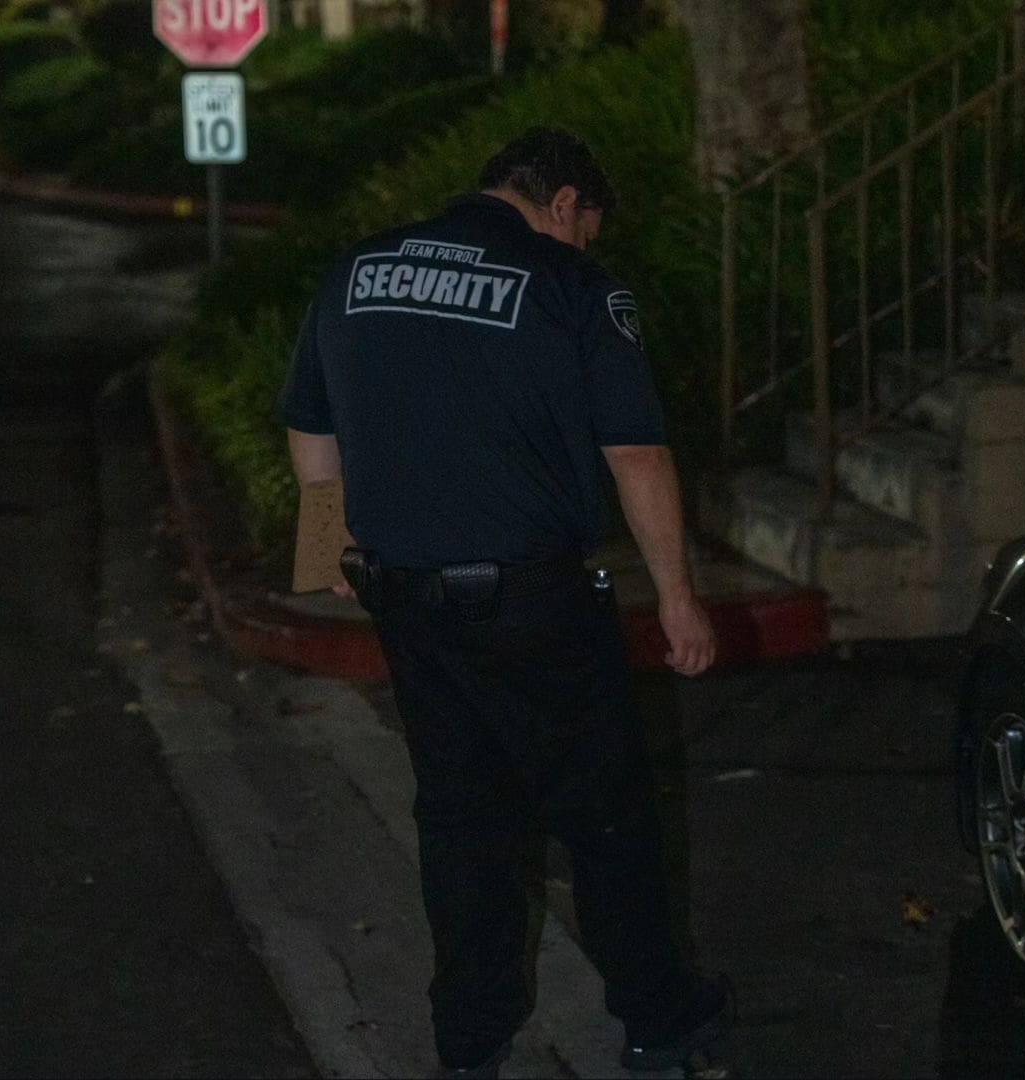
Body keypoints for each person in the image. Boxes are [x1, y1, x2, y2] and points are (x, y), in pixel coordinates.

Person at [279, 127, 733, 1079]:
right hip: (534, 604)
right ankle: (657, 1023)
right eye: (585, 226)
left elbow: (310, 420)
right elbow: (637, 453)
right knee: (605, 817)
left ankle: (469, 1041)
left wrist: (327, 554)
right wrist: (681, 598)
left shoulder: (357, 269)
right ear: (564, 202)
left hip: (406, 601)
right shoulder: (576, 287)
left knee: (460, 822)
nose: (584, 243)